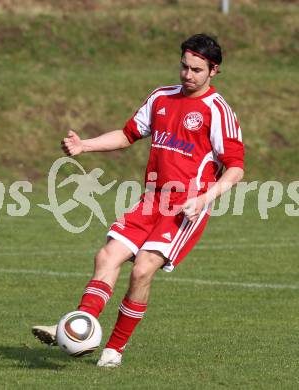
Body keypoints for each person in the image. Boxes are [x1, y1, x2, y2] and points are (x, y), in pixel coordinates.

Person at [32, 33, 244, 367]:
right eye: (184, 67)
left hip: (185, 206)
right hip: (151, 198)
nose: (188, 75)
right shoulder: (162, 97)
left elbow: (235, 168)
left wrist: (206, 197)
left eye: (197, 70)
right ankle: (78, 327)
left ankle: (113, 349)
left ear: (214, 71)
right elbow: (128, 134)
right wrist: (84, 145)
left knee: (142, 269)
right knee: (107, 256)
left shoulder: (217, 111)